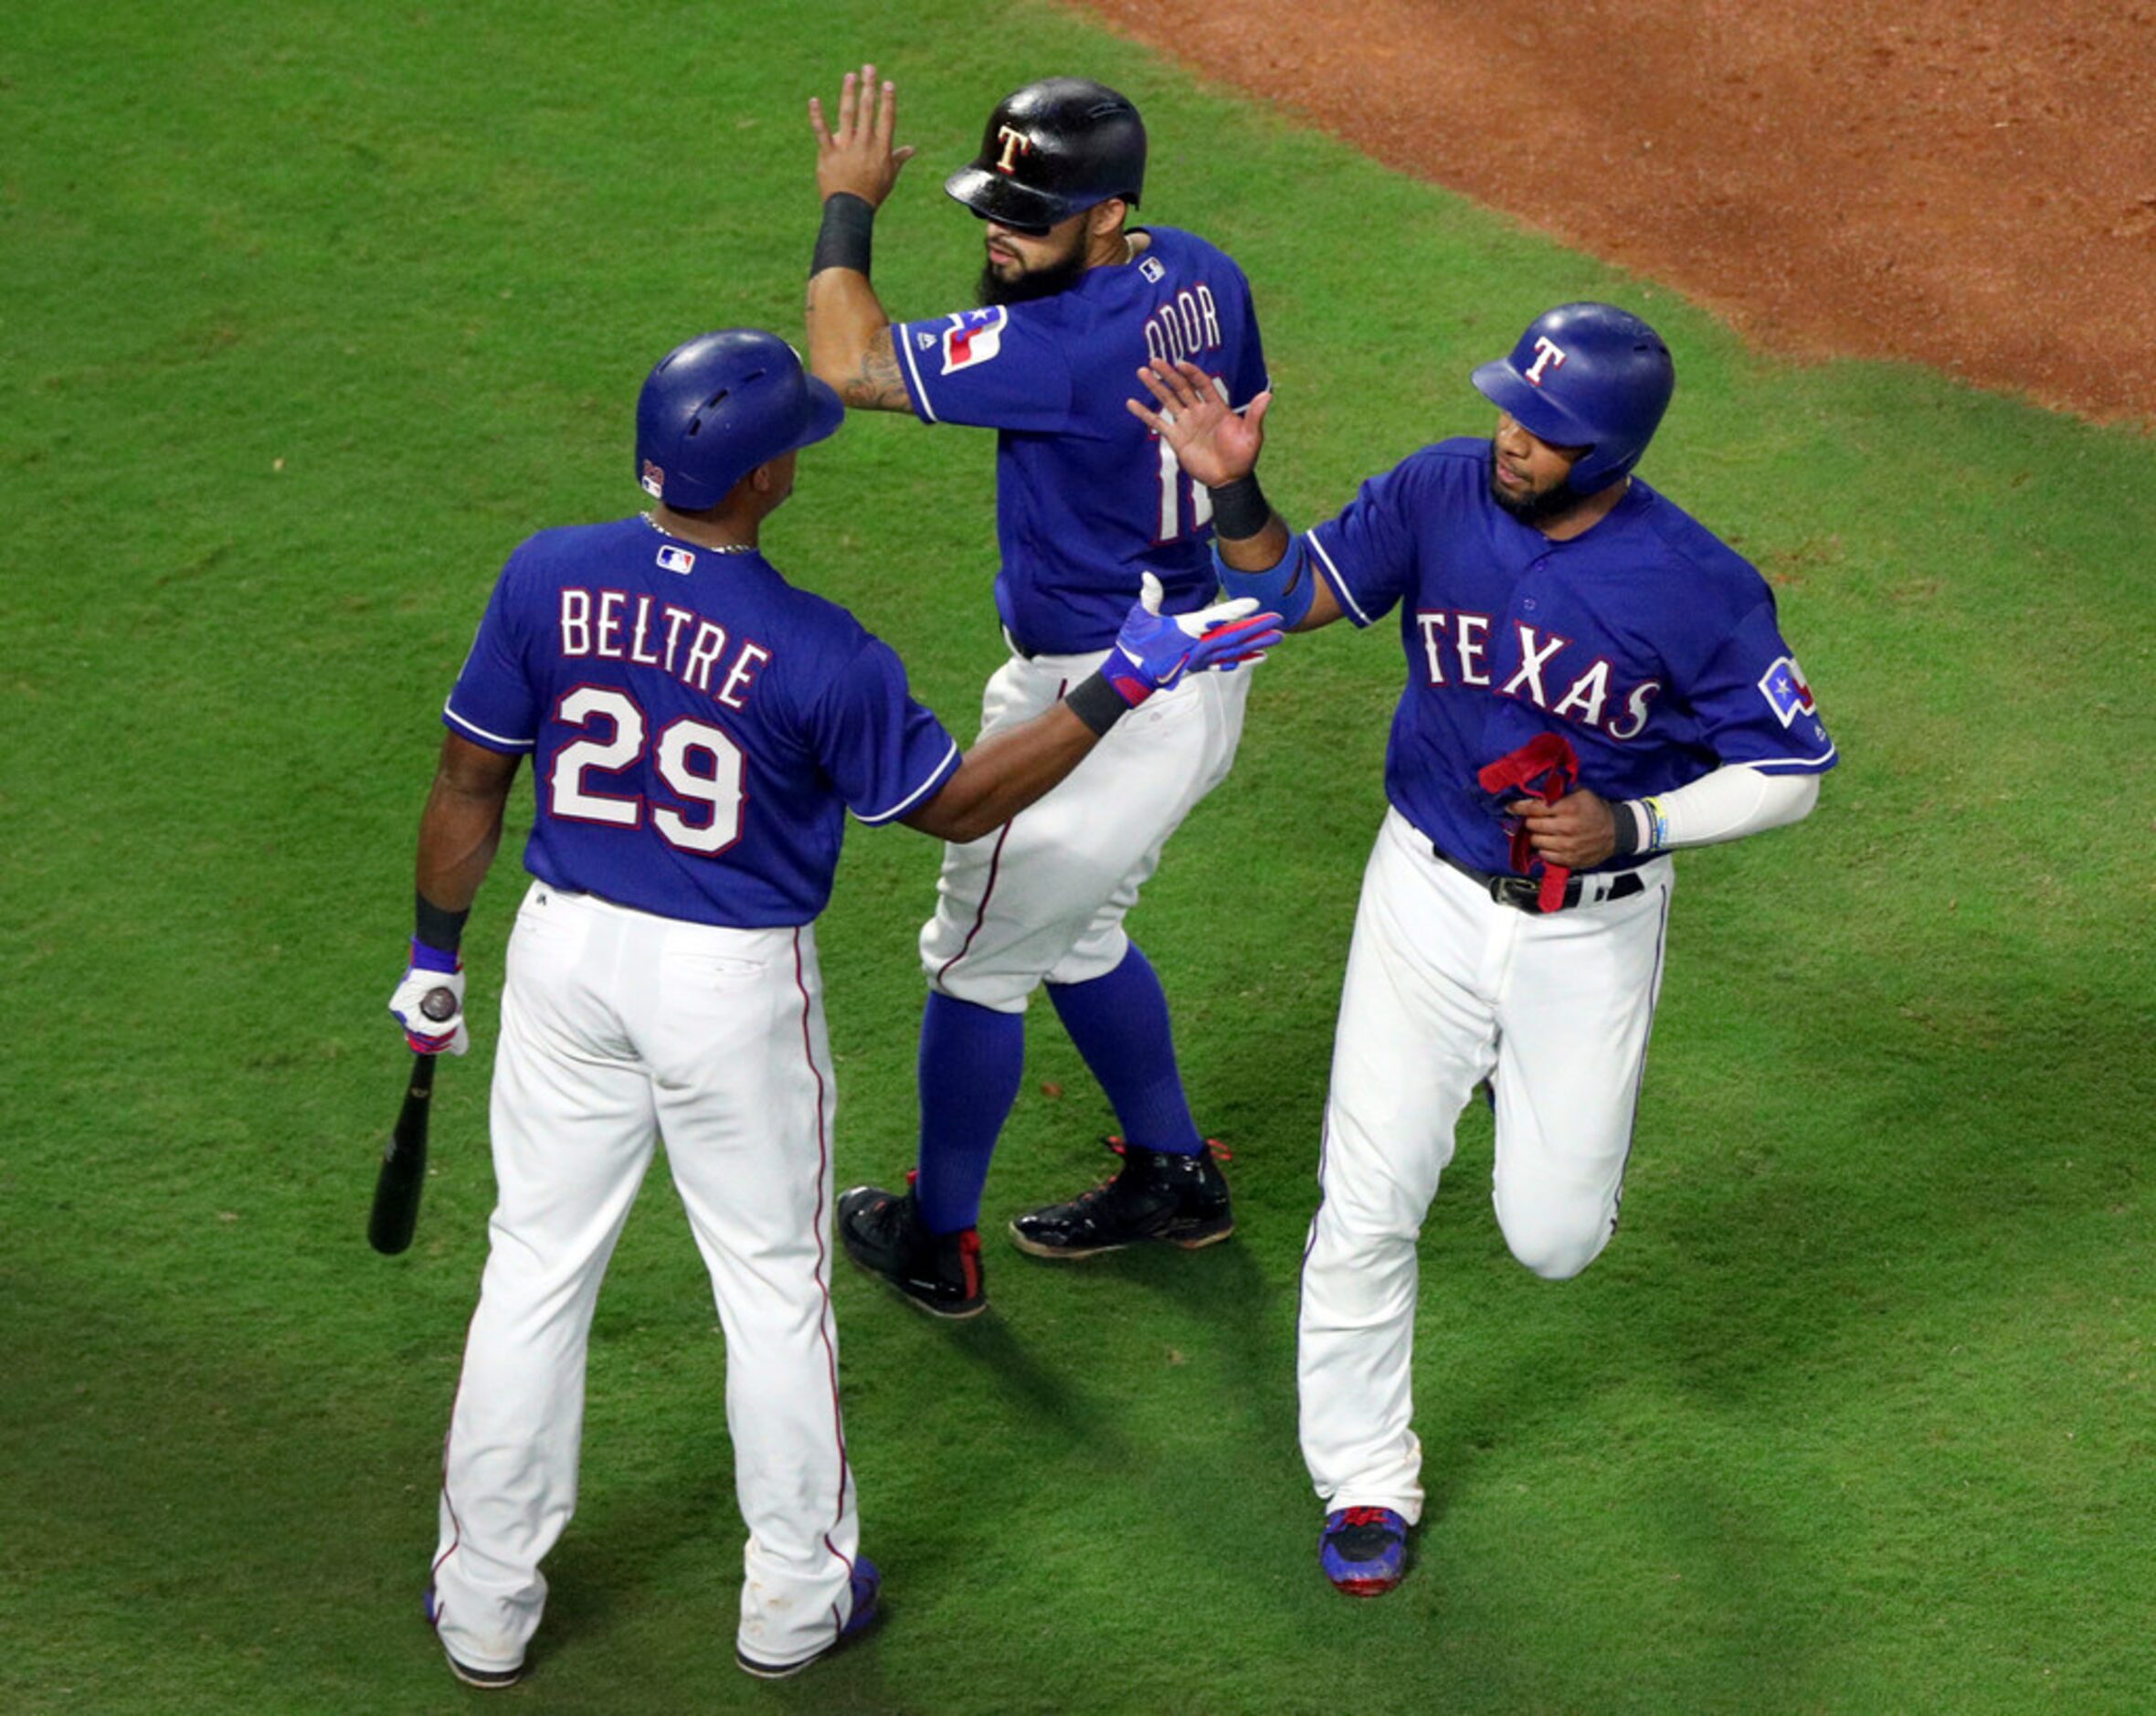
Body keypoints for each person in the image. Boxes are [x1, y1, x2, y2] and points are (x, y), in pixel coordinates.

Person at [386, 328, 1275, 1689]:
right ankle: (795, 1596)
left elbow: (467, 779)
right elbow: (960, 805)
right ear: (763, 481)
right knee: (772, 1286)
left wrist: (434, 954)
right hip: (726, 991)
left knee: (533, 1272)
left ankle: (486, 1600)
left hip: (564, 960)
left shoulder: (545, 574)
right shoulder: (818, 651)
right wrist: (1124, 679)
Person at [1128, 302, 1838, 1596]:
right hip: (1426, 891)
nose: (1511, 435)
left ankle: (1551, 1109)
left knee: (1553, 1238)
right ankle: (1363, 1475)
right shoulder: (1440, 490)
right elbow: (1293, 594)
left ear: (1611, 452)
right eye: (1511, 405)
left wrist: (1633, 821)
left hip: (1593, 926)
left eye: (1543, 428)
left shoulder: (1697, 584)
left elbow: (1791, 770)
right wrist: (1237, 492)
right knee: (1367, 1200)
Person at [800, 66, 1274, 1317]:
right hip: (1201, 656)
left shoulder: (1065, 343)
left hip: (1099, 702)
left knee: (973, 966)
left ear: (1109, 213)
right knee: (1081, 931)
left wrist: (849, 206)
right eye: (994, 206)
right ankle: (1174, 1172)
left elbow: (846, 363)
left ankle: (935, 1240)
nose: (999, 234)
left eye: (1031, 213)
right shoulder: (1204, 271)